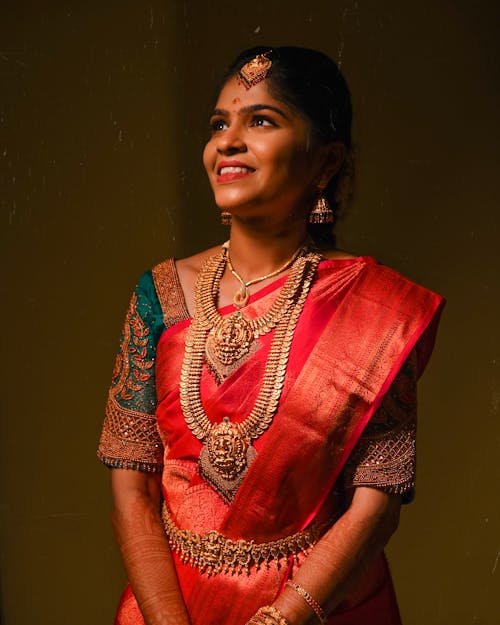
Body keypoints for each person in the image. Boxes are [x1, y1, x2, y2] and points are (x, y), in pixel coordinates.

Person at [98, 46, 444, 625]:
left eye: (261, 120)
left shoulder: (376, 309)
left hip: (318, 610)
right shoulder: (160, 295)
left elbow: (376, 504)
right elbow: (131, 486)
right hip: (169, 608)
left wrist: (283, 619)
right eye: (218, 124)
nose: (227, 141)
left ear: (327, 162)